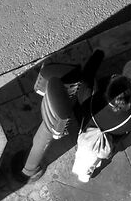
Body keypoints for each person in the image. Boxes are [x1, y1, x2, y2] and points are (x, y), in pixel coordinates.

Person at [19, 49, 102, 179]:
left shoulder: (52, 88)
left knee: (39, 142)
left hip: (53, 115)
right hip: (55, 120)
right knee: (40, 142)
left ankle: (29, 167)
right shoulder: (60, 114)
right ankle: (29, 169)